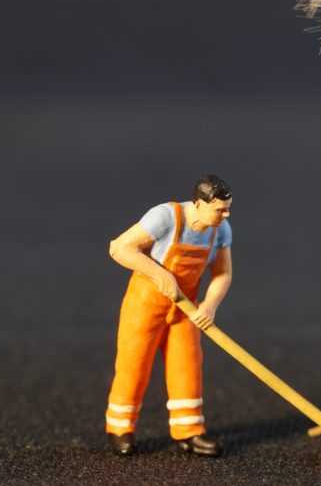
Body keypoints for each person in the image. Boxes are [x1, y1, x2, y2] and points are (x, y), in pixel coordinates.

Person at [104, 174, 234, 457]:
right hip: (145, 306)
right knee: (134, 365)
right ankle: (120, 428)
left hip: (185, 310)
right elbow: (119, 248)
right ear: (199, 204)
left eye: (228, 208)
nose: (225, 215)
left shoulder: (220, 230)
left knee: (187, 367)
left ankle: (189, 431)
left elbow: (223, 273)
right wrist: (158, 273)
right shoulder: (165, 217)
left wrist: (209, 305)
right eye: (220, 209)